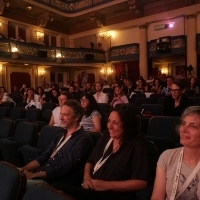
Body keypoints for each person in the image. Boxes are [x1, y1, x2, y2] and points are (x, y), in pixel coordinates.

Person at [53, 105, 153, 200]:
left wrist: (106, 185)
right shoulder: (105, 137)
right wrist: (86, 177)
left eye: (115, 123)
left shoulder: (138, 145)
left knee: (56, 189)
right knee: (53, 189)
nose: (110, 126)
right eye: (109, 121)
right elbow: (90, 162)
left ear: (127, 125)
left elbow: (141, 182)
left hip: (113, 195)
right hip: (91, 189)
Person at [20, 99, 93, 190]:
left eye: (65, 115)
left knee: (16, 186)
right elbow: (44, 157)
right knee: (13, 178)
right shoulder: (61, 135)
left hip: (56, 182)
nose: (61, 118)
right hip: (43, 174)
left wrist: (33, 175)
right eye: (61, 114)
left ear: (76, 117)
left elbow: (63, 167)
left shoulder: (83, 139)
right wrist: (22, 170)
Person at [151, 106, 200, 200]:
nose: (184, 130)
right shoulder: (167, 156)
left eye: (193, 126)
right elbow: (157, 197)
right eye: (183, 123)